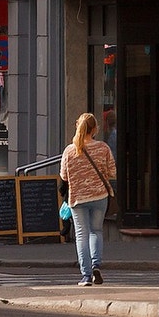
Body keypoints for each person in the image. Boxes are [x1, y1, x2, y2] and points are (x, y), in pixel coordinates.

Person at [60, 111, 117, 287]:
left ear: (78, 126)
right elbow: (112, 172)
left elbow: (63, 176)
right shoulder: (103, 148)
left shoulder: (70, 150)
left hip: (78, 198)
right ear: (94, 129)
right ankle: (96, 265)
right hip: (100, 196)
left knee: (81, 235)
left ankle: (86, 275)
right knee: (96, 231)